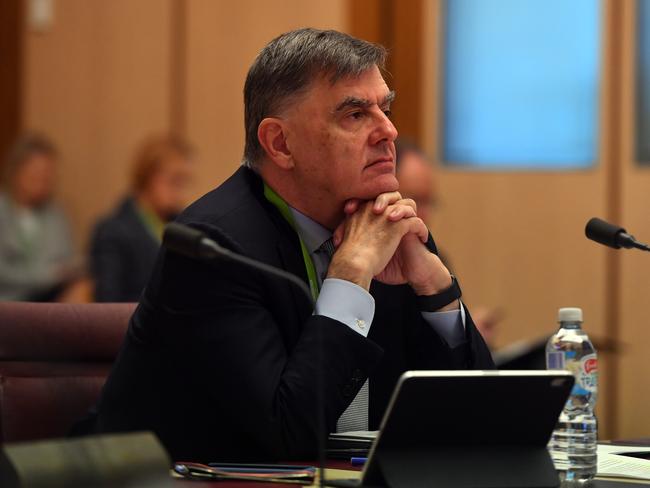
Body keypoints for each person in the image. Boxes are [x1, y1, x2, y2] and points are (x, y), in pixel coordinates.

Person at [80, 28, 493, 462]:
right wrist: (350, 275)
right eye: (355, 114)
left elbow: (482, 418)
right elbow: (289, 436)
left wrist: (437, 292)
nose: (388, 130)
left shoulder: (385, 226)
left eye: (385, 108)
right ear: (280, 143)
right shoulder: (214, 248)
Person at [395, 139, 502, 348]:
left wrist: (467, 329)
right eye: (414, 200)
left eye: (429, 202)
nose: (422, 214)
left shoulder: (434, 258)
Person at [90, 135, 193, 302]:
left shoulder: (183, 225)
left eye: (185, 182)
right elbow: (108, 301)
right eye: (174, 181)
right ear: (148, 176)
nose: (181, 192)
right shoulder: (112, 231)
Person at [0, 134, 78, 301]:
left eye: (48, 172)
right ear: (16, 171)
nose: (44, 178)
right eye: (37, 171)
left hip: (47, 300)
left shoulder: (56, 214)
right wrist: (45, 275)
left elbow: (67, 263)